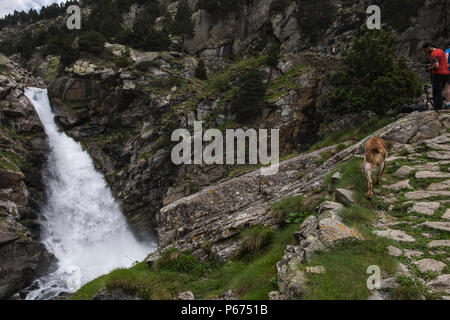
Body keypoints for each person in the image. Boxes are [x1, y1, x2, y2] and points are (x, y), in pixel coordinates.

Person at [422, 43, 450, 110]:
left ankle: (438, 107)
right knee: (445, 89)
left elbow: (436, 65)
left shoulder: (433, 54)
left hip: (438, 74)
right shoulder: (441, 51)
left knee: (437, 91)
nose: (425, 52)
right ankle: (446, 104)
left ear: (428, 47)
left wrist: (429, 68)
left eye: (425, 50)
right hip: (446, 73)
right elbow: (443, 62)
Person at [445, 42, 450, 108]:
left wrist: (445, 64)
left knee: (447, 87)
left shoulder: (448, 50)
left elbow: (446, 56)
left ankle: (448, 103)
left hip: (448, 70)